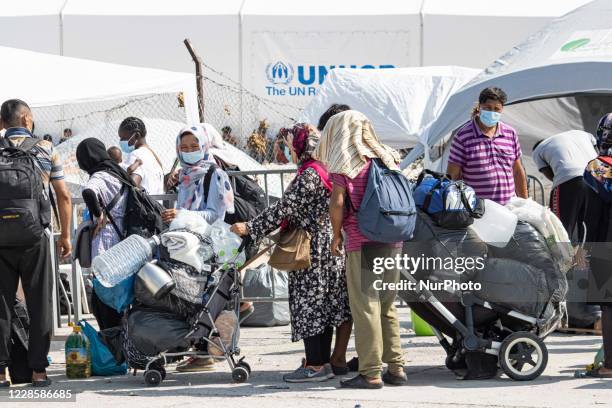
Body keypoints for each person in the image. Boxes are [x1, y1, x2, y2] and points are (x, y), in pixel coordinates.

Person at [231, 123, 353, 383]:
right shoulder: (325, 170)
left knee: (310, 308)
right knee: (323, 307)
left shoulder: (310, 174)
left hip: (312, 249)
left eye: (290, 146)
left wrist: (250, 227)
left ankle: (316, 366)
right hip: (327, 246)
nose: (289, 151)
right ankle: (320, 363)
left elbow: (284, 209)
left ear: (300, 146)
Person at [315, 110, 406, 389]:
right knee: (388, 306)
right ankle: (397, 367)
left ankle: (370, 372)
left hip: (362, 242)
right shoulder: (387, 158)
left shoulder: (347, 164)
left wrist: (335, 235)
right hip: (393, 241)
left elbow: (338, 203)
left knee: (366, 306)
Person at [0, 99, 72, 387]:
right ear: (27, 119)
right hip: (35, 236)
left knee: (1, 305)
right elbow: (64, 196)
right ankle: (39, 372)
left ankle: (1, 373)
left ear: (2, 123)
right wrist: (65, 235)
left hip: (0, 238)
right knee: (40, 302)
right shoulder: (46, 149)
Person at [161, 124, 235, 372]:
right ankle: (197, 351)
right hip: (187, 247)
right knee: (188, 297)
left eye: (194, 146)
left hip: (206, 247)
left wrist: (182, 214)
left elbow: (217, 214)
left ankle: (204, 354)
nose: (190, 151)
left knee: (202, 298)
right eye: (184, 147)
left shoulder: (214, 174)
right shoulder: (184, 176)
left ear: (204, 146)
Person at [77, 138, 130, 330]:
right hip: (123, 244)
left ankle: (113, 349)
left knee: (105, 302)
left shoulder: (99, 176)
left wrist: (98, 214)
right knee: (120, 301)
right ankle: (123, 347)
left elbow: (89, 192)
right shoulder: (117, 172)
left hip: (106, 244)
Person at [447, 87, 528, 205]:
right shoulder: (463, 136)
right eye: (488, 108)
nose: (492, 113)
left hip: (509, 208)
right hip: (479, 211)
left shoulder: (510, 133)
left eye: (496, 109)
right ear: (479, 107)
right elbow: (453, 175)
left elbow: (517, 170)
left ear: (502, 110)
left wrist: (525, 203)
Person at [583, 113, 612, 378]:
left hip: (606, 244)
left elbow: (591, 216)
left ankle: (609, 366)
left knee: (609, 305)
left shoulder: (597, 168)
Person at [532, 130, 598, 241]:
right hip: (597, 178)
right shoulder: (582, 133)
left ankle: (562, 257)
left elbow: (549, 174)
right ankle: (590, 256)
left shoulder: (537, 151)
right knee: (591, 228)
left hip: (570, 179)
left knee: (559, 228)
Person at [118, 117, 164, 195]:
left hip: (143, 206)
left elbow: (131, 185)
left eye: (123, 138)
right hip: (156, 205)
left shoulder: (135, 155)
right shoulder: (152, 156)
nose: (121, 141)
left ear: (136, 135)